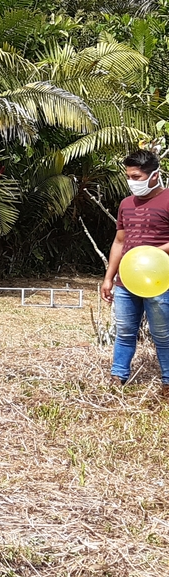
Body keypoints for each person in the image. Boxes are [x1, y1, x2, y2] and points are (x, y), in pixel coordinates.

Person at [100, 149, 169, 395]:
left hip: (160, 282)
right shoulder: (126, 204)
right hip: (126, 282)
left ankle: (167, 382)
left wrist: (151, 255)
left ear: (154, 176)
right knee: (125, 331)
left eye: (137, 176)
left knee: (163, 334)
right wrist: (109, 278)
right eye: (129, 176)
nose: (132, 182)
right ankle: (118, 377)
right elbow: (119, 242)